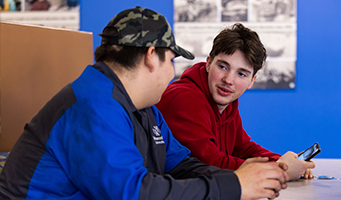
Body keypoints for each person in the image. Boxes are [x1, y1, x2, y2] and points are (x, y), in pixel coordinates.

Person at [0, 7, 290, 200]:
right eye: (172, 60)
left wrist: (244, 178)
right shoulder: (94, 105)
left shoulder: (144, 108)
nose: (173, 72)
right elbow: (135, 193)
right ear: (152, 56)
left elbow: (180, 164)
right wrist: (235, 186)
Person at [156, 23, 315, 181]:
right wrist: (279, 170)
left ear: (252, 81)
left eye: (241, 74)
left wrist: (287, 163)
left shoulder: (225, 101)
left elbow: (243, 148)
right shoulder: (185, 99)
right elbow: (211, 164)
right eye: (223, 67)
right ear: (209, 63)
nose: (228, 80)